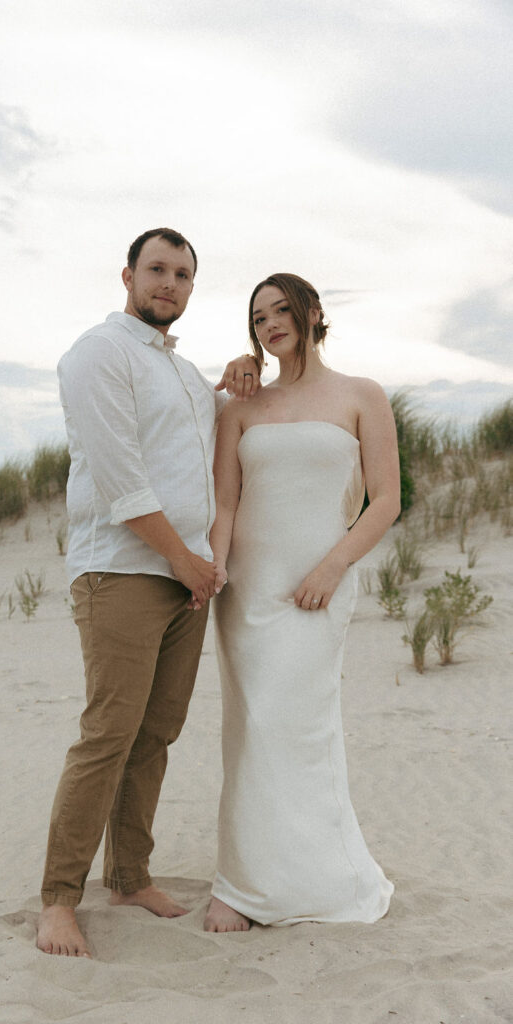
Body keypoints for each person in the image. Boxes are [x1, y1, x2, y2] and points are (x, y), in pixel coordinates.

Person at [37, 228, 260, 957]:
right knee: (107, 734)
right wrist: (185, 561)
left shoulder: (179, 370)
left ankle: (129, 875)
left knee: (155, 735)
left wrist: (230, 380)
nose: (169, 284)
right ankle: (58, 900)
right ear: (127, 275)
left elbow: (193, 443)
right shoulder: (98, 353)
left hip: (184, 580)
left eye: (183, 275)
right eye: (157, 270)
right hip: (123, 572)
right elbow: (120, 478)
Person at [204, 272, 400, 933]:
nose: (268, 324)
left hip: (318, 589)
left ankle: (316, 878)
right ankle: (241, 884)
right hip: (248, 591)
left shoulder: (360, 395)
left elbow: (386, 500)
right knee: (251, 728)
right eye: (257, 317)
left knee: (301, 727)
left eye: (280, 309)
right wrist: (213, 571)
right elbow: (225, 500)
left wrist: (331, 566)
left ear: (313, 312)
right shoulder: (240, 406)